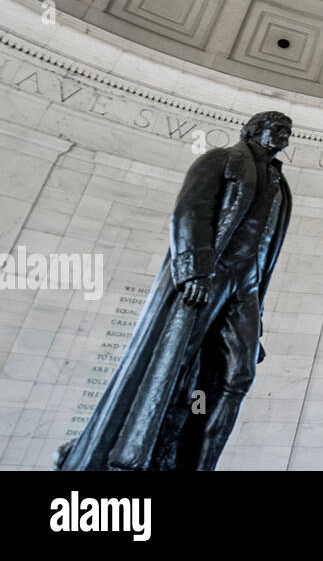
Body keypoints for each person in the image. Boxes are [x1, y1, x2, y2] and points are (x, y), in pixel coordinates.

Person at [55, 111, 294, 470]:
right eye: (276, 129)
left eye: (288, 132)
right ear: (251, 131)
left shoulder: (281, 185)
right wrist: (194, 272)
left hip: (247, 286)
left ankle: (198, 464)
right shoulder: (221, 160)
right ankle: (134, 453)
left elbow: (266, 252)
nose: (284, 136)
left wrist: (256, 320)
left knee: (238, 375)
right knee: (175, 367)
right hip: (208, 274)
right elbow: (190, 212)